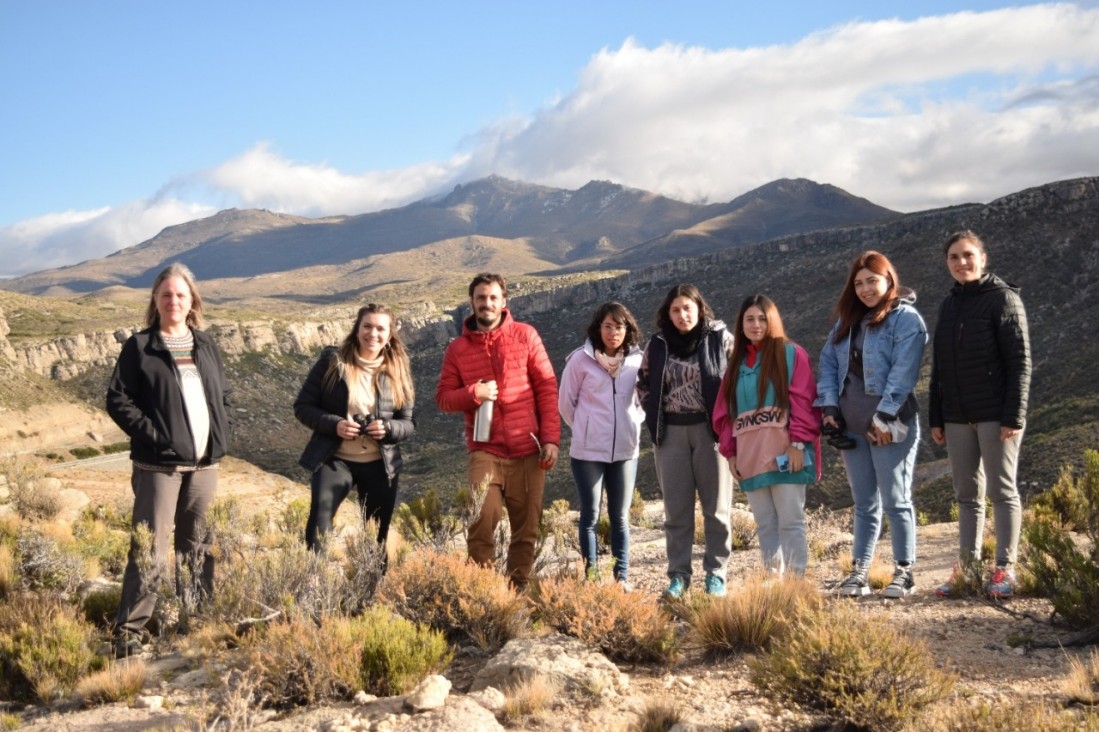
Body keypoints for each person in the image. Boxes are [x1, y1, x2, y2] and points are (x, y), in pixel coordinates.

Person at [106, 263, 232, 657]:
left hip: (203, 465)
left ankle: (198, 620)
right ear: (156, 301)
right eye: (166, 295)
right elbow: (118, 400)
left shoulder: (205, 344)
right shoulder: (140, 347)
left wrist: (222, 431)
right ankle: (129, 630)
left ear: (192, 299)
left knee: (198, 545)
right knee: (151, 548)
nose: (173, 301)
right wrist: (155, 436)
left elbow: (223, 395)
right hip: (158, 466)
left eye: (180, 294)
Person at [435, 273, 560, 590]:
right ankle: (483, 593)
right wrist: (473, 393)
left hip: (528, 450)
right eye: (480, 298)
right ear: (472, 303)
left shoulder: (525, 336)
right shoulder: (457, 350)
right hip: (485, 450)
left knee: (526, 529)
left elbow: (547, 388)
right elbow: (443, 398)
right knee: (482, 520)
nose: (486, 303)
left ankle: (518, 591)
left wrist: (550, 440)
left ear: (504, 302)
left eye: (492, 297)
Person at [816, 252, 927, 597]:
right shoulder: (846, 323)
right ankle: (859, 572)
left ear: (889, 281)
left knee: (896, 498)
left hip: (889, 424)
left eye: (872, 281)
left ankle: (904, 571)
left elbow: (903, 372)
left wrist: (884, 416)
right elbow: (829, 365)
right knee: (864, 502)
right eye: (859, 282)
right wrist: (830, 407)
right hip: (852, 423)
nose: (865, 289)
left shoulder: (905, 320)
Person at [929, 230, 1031, 599]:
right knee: (967, 494)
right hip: (957, 416)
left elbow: (1020, 363)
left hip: (995, 414)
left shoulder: (1004, 299)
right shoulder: (948, 304)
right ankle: (968, 569)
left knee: (1002, 491)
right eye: (954, 257)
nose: (961, 263)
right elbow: (939, 366)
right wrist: (936, 417)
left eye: (968, 255)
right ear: (947, 263)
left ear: (983, 258)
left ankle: (1005, 569)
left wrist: (1013, 415)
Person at [713, 294, 821, 580]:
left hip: (787, 453)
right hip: (750, 457)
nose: (756, 324)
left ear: (773, 320)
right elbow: (725, 415)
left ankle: (797, 582)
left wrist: (798, 443)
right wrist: (730, 453)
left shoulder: (791, 354)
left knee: (791, 520)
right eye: (750, 319)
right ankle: (772, 579)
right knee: (765, 523)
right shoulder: (735, 365)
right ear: (741, 324)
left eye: (763, 318)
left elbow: (803, 400)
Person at [293, 303, 415, 554]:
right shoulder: (332, 362)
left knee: (376, 537)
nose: (373, 333)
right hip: (335, 459)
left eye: (381, 328)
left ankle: (369, 591)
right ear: (357, 329)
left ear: (390, 334)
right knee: (319, 525)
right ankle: (315, 585)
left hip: (380, 464)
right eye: (367, 326)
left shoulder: (398, 369)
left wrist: (388, 428)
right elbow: (303, 406)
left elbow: (409, 422)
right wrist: (335, 424)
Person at [637, 284, 734, 598]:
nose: (682, 315)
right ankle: (679, 576)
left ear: (700, 308)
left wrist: (730, 423)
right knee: (676, 512)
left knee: (716, 508)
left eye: (688, 308)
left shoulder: (720, 339)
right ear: (668, 313)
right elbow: (643, 384)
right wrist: (656, 419)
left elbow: (737, 378)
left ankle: (716, 574)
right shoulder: (658, 344)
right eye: (676, 310)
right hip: (671, 435)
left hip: (712, 434)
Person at [558, 302, 645, 590]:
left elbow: (645, 400)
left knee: (620, 516)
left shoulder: (637, 361)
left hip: (625, 451)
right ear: (598, 329)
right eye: (607, 326)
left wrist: (633, 422)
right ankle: (592, 578)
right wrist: (586, 429)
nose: (613, 332)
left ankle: (622, 578)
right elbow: (565, 405)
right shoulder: (579, 361)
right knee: (590, 516)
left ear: (627, 329)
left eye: (619, 326)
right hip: (587, 453)